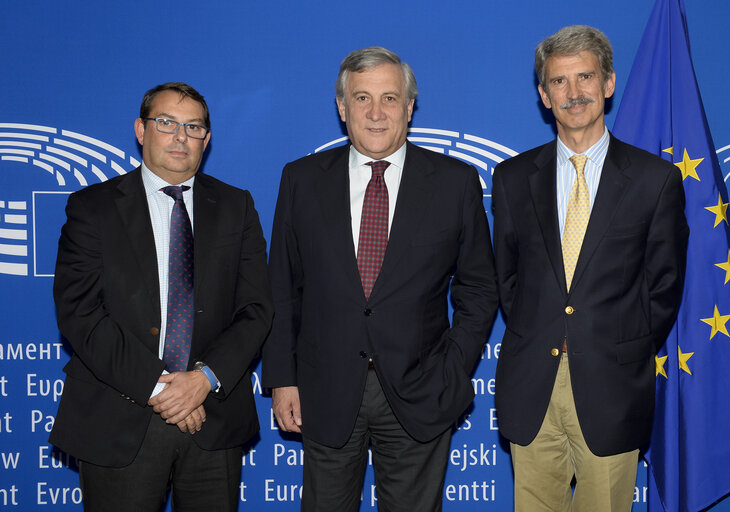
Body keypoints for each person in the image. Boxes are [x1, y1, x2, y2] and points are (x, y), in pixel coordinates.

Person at [262, 46, 498, 511]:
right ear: (341, 107)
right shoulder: (302, 180)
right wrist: (283, 379)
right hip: (323, 391)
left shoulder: (455, 181)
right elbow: (282, 287)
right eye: (362, 98)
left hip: (421, 388)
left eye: (389, 98)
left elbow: (479, 287)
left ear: (410, 107)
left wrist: (452, 368)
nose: (375, 113)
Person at [50, 82, 273, 511]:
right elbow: (81, 315)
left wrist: (202, 381)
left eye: (193, 127)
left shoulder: (236, 207)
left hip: (213, 419)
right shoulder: (92, 208)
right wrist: (163, 389)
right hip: (119, 416)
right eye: (167, 122)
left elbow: (256, 310)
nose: (180, 137)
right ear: (141, 129)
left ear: (206, 140)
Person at [492, 25, 689, 511]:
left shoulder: (654, 180)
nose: (574, 92)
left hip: (612, 387)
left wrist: (618, 344)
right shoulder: (513, 178)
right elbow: (508, 280)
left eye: (585, 77)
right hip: (531, 387)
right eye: (559, 82)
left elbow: (663, 287)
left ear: (609, 83)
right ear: (543, 95)